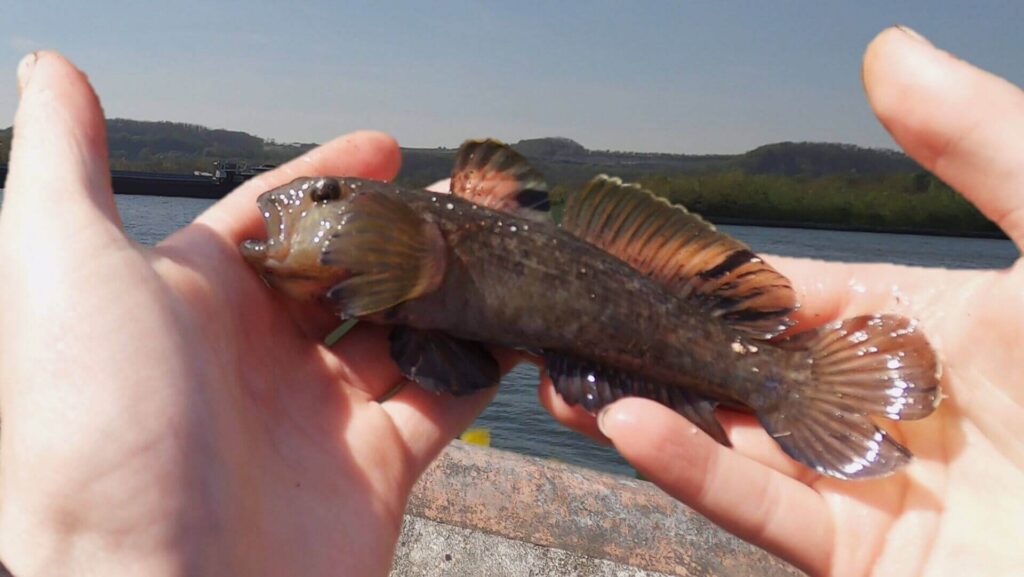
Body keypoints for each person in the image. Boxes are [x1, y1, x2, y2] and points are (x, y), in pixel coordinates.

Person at [0, 26, 1020, 576]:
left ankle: (791, 384)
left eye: (320, 200)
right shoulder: (397, 271)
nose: (290, 213)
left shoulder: (422, 247)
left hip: (693, 346)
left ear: (397, 226)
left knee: (616, 395)